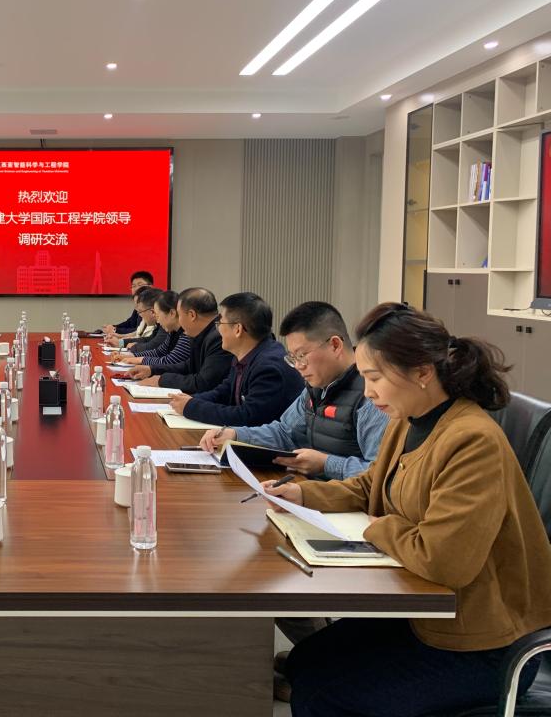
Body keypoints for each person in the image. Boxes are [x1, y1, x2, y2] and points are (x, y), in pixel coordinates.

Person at [267, 302, 551, 717]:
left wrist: (376, 527)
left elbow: (443, 559)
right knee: (306, 660)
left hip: (483, 644)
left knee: (322, 695)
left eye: (375, 378)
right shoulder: (409, 418)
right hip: (425, 617)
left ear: (422, 372)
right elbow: (371, 484)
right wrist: (303, 494)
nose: (368, 393)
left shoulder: (472, 441)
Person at [199, 301, 388, 481]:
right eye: (293, 357)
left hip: (345, 500)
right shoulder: (316, 387)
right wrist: (235, 434)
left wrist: (326, 464)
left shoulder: (372, 398)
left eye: (302, 355)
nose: (298, 366)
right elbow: (285, 432)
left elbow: (381, 473)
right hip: (311, 489)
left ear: (335, 345)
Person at [169, 292, 303, 426]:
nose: (218, 329)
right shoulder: (247, 354)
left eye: (220, 323)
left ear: (238, 329)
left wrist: (191, 407)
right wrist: (191, 400)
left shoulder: (268, 367)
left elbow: (248, 416)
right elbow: (225, 391)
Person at [128, 287, 232, 395]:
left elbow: (203, 383)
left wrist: (162, 380)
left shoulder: (218, 338)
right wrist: (152, 370)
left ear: (192, 315)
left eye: (180, 315)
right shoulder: (203, 333)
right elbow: (188, 366)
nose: (179, 321)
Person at [113, 290, 191, 367]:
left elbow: (170, 361)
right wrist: (132, 356)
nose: (157, 320)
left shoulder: (187, 334)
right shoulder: (172, 331)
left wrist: (140, 360)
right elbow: (159, 352)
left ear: (172, 313)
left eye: (158, 315)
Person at [102, 270, 154, 336]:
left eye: (140, 285)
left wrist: (116, 330)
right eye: (134, 286)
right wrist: (113, 327)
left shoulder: (152, 306)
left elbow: (140, 330)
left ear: (150, 287)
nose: (136, 289)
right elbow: (130, 322)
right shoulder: (138, 305)